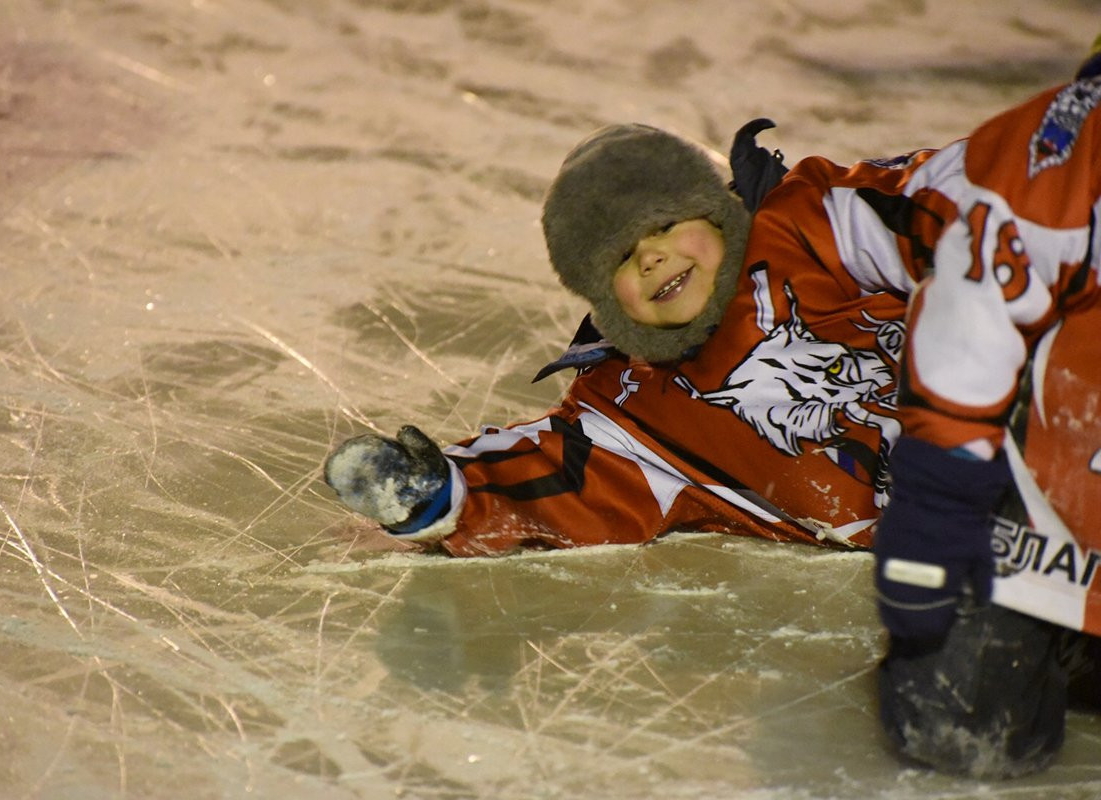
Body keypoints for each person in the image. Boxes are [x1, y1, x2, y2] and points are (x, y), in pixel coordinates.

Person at [323, 54, 1101, 778]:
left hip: (1047, 439)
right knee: (955, 730)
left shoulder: (810, 224)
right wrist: (441, 493)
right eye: (623, 259)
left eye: (664, 226)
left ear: (718, 207)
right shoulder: (639, 408)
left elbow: (957, 204)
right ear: (600, 299)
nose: (654, 257)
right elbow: (558, 471)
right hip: (984, 554)